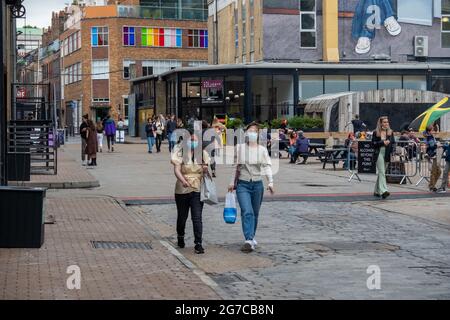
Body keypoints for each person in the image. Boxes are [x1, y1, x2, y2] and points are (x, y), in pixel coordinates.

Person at [228, 122, 274, 253]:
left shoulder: (262, 150)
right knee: (247, 211)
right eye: (250, 130)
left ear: (258, 134)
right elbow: (235, 167)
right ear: (246, 133)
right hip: (243, 184)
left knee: (255, 213)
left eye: (255, 131)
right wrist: (232, 182)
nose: (252, 133)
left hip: (258, 185)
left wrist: (270, 182)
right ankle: (248, 239)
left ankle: (251, 236)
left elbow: (267, 166)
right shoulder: (240, 148)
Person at [171, 130, 210, 254]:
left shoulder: (202, 154)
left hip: (197, 188)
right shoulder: (179, 152)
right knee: (182, 217)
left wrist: (205, 169)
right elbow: (177, 170)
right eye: (190, 140)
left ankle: (198, 243)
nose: (193, 142)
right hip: (182, 188)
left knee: (197, 217)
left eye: (195, 140)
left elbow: (207, 172)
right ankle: (180, 236)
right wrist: (183, 180)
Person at [372, 116, 395, 199]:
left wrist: (393, 152)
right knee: (382, 172)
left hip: (387, 154)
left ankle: (376, 191)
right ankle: (384, 191)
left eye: (387, 122)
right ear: (380, 123)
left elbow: (393, 143)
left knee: (382, 173)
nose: (386, 123)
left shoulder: (390, 132)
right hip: (379, 153)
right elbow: (373, 143)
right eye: (384, 122)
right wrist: (382, 142)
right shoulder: (375, 132)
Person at [423, 126, 441, 192]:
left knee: (438, 171)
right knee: (435, 172)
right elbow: (432, 146)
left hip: (434, 155)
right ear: (429, 131)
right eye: (432, 130)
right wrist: (438, 145)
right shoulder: (430, 137)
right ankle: (432, 186)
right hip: (432, 155)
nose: (433, 131)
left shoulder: (429, 136)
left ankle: (432, 185)